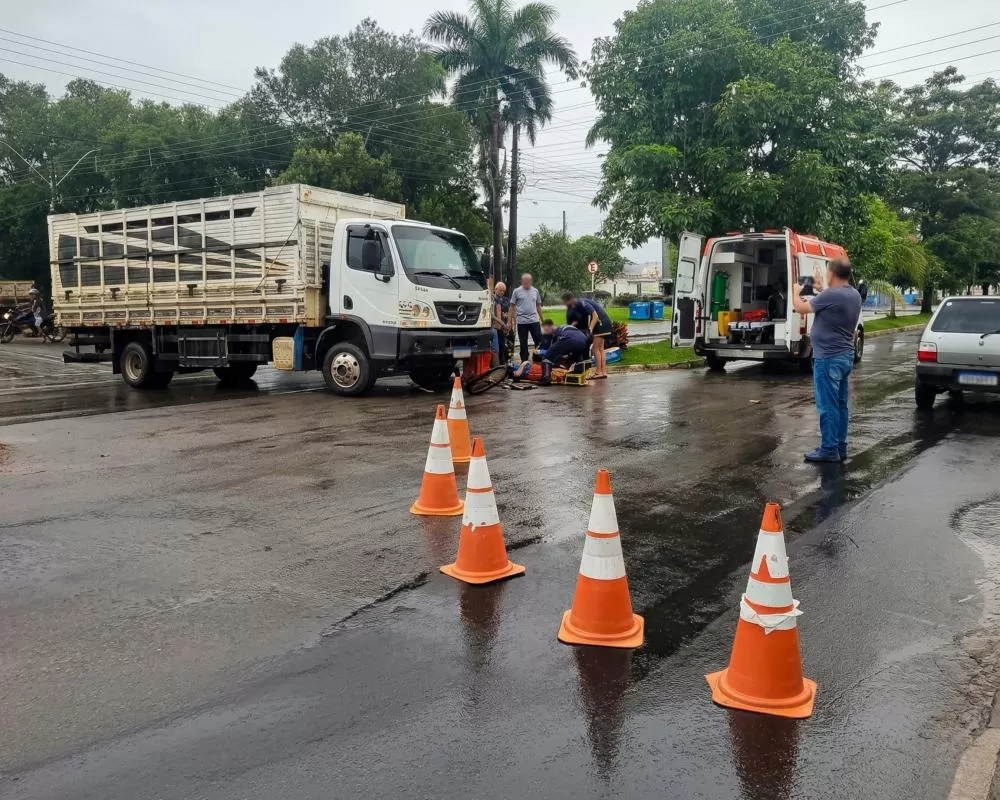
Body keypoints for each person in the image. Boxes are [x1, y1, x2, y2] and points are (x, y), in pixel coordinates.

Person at [790, 257, 862, 463]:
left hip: (828, 359)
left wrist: (796, 291)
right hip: (844, 357)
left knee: (827, 406)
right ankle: (840, 445)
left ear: (831, 274)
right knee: (840, 405)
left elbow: (801, 308)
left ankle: (829, 449)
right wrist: (821, 289)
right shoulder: (853, 295)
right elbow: (831, 303)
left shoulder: (832, 295)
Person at [563, 292, 613, 379]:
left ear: (570, 300)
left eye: (565, 302)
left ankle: (598, 372)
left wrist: (590, 329)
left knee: (595, 349)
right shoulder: (581, 303)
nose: (565, 305)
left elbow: (595, 316)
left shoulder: (582, 303)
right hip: (605, 324)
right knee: (600, 349)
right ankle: (603, 372)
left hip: (600, 325)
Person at [539, 319, 590, 385]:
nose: (545, 331)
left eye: (546, 329)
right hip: (584, 340)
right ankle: (578, 371)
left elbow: (555, 350)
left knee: (547, 357)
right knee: (577, 355)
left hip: (570, 339)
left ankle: (546, 379)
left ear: (549, 326)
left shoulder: (556, 331)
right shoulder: (565, 326)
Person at [507, 273, 543, 363]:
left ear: (531, 281)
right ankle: (524, 362)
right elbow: (511, 307)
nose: (527, 284)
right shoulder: (517, 291)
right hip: (522, 322)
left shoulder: (535, 291)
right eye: (525, 282)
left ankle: (538, 360)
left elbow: (538, 306)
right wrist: (509, 321)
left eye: (528, 282)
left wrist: (543, 319)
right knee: (523, 344)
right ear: (522, 281)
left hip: (534, 321)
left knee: (539, 342)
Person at [491, 282, 510, 366]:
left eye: (503, 291)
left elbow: (510, 312)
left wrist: (509, 324)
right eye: (500, 290)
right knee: (496, 347)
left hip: (503, 327)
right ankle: (496, 365)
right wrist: (502, 323)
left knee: (503, 347)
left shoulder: (505, 300)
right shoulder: (492, 299)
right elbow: (493, 315)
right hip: (495, 327)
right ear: (495, 289)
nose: (502, 292)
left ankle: (503, 363)